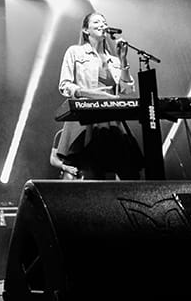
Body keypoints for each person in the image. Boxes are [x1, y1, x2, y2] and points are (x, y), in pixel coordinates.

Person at [55, 11, 143, 180]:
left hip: (111, 117)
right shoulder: (75, 52)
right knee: (90, 170)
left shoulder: (114, 60)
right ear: (86, 30)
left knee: (128, 171)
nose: (102, 24)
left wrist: (123, 60)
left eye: (104, 22)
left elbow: (127, 89)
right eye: (96, 22)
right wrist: (90, 93)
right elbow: (64, 85)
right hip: (85, 117)